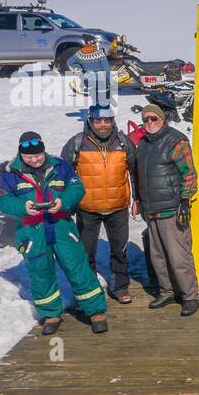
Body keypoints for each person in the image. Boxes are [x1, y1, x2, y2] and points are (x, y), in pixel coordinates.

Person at [0, 131, 108, 335]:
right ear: (21, 154)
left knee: (77, 267)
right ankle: (51, 314)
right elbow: (1, 199)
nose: (35, 160)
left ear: (44, 151)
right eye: (29, 157)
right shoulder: (10, 173)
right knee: (40, 272)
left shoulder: (60, 166)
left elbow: (77, 188)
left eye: (38, 155)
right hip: (31, 231)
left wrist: (64, 202)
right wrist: (23, 206)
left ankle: (96, 311)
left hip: (61, 226)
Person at [60, 105, 138, 305]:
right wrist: (66, 204)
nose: (103, 124)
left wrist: (136, 199)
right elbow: (63, 177)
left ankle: (120, 287)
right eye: (98, 120)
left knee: (119, 250)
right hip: (87, 208)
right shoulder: (77, 143)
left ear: (112, 121)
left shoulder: (123, 142)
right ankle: (90, 288)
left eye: (107, 120)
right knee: (86, 252)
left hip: (118, 206)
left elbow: (136, 173)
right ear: (90, 121)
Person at [133, 103, 199, 315]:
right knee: (157, 256)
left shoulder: (176, 141)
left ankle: (190, 295)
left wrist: (184, 200)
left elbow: (189, 174)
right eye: (146, 120)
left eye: (154, 118)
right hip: (150, 208)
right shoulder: (143, 144)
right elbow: (138, 175)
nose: (149, 123)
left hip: (171, 208)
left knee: (178, 256)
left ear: (162, 119)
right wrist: (137, 199)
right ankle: (167, 290)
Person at [66, 34, 114, 109]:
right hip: (101, 79)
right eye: (95, 42)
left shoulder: (80, 54)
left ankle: (96, 117)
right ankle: (105, 117)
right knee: (104, 100)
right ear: (92, 43)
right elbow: (106, 69)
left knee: (95, 99)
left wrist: (82, 67)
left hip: (88, 79)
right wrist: (109, 81)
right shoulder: (99, 53)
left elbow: (69, 62)